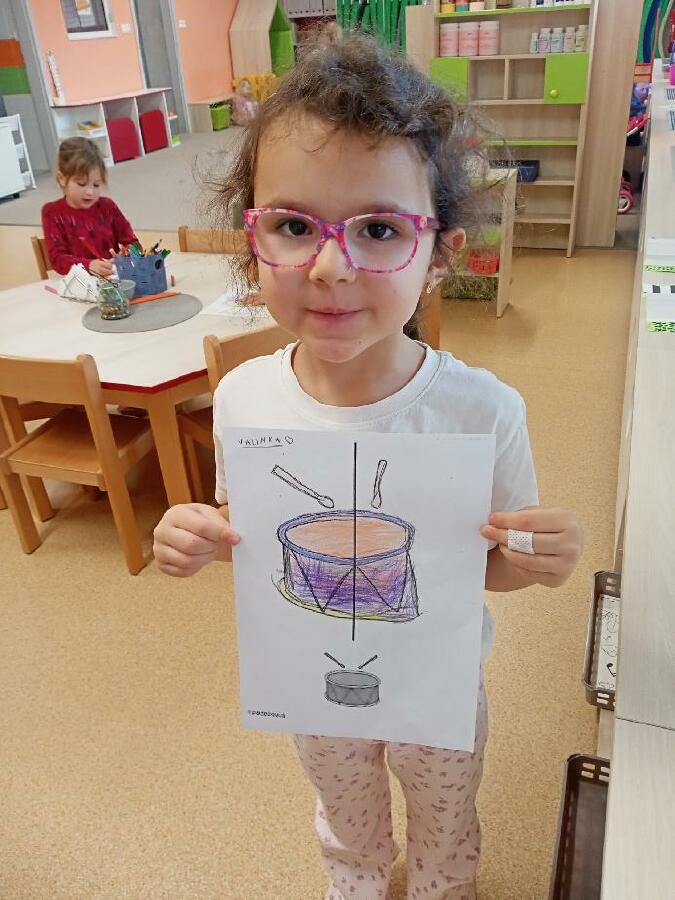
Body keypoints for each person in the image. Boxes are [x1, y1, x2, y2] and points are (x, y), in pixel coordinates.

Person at [153, 30, 583, 900]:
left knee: (444, 818)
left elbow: (489, 567)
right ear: (252, 239)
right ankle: (353, 880)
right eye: (292, 225)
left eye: (380, 229)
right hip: (313, 682)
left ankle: (439, 886)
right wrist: (197, 535)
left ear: (439, 257)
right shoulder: (242, 398)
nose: (328, 266)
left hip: (434, 679)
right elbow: (255, 537)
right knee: (345, 817)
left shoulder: (482, 412)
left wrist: (541, 560)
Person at [41, 137, 137, 277]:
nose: (90, 192)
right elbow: (57, 259)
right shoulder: (52, 212)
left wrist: (124, 256)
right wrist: (88, 266)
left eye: (96, 185)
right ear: (62, 179)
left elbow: (133, 244)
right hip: (80, 284)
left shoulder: (107, 207)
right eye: (81, 184)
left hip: (114, 280)